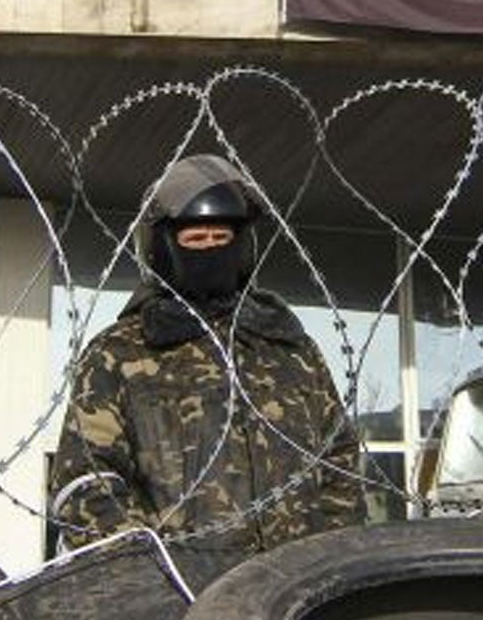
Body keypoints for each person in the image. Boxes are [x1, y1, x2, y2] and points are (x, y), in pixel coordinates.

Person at [49, 152, 364, 554]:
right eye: (196, 239)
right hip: (183, 588)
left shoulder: (289, 349)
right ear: (165, 248)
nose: (210, 249)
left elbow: (339, 463)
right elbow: (85, 479)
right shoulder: (121, 355)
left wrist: (327, 555)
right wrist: (146, 567)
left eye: (221, 237)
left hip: (294, 585)